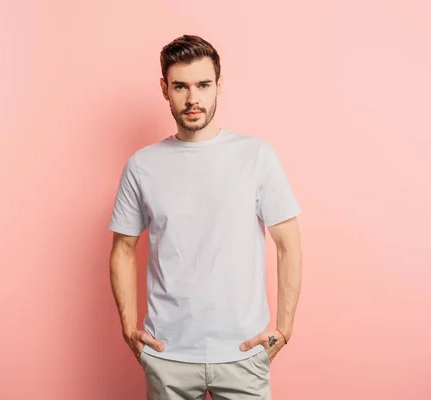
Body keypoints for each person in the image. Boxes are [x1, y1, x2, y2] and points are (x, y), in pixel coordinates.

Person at [108, 34, 303, 399]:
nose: (193, 98)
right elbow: (122, 249)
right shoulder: (142, 165)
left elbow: (288, 245)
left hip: (244, 352)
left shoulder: (255, 156)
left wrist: (285, 328)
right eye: (181, 86)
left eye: (203, 85)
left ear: (219, 85)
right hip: (168, 354)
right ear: (165, 89)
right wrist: (128, 327)